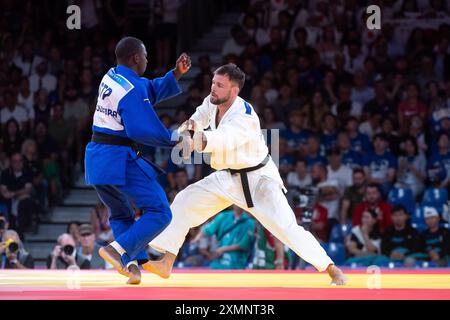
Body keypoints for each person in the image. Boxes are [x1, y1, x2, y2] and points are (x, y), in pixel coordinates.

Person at [145, 63, 347, 285]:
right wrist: (188, 127)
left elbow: (223, 139)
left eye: (219, 85)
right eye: (213, 83)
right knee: (184, 200)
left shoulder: (246, 117)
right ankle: (167, 261)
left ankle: (332, 269)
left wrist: (196, 142)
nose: (213, 88)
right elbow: (199, 117)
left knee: (287, 228)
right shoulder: (211, 102)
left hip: (258, 181)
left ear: (234, 90)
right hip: (227, 177)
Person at [84, 36, 191, 285]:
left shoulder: (111, 76)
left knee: (121, 213)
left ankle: (130, 264)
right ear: (135, 58)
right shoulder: (132, 91)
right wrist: (174, 138)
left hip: (97, 160)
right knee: (161, 211)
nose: (147, 59)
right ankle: (116, 250)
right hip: (118, 159)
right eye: (145, 55)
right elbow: (141, 129)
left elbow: (146, 90)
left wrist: (175, 74)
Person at [189, 206, 255, 270]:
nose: (238, 205)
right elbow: (208, 229)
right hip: (219, 261)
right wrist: (197, 238)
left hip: (236, 262)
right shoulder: (223, 216)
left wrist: (223, 249)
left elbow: (244, 244)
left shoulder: (250, 222)